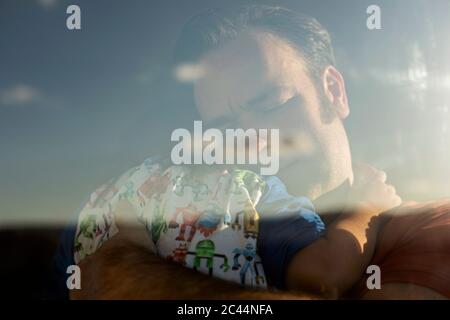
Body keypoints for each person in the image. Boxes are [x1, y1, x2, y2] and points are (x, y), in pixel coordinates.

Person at [61, 5, 450, 299]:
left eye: (270, 105)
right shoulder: (225, 200)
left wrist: (130, 274)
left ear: (333, 91)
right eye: (224, 128)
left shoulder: (432, 227)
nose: (252, 140)